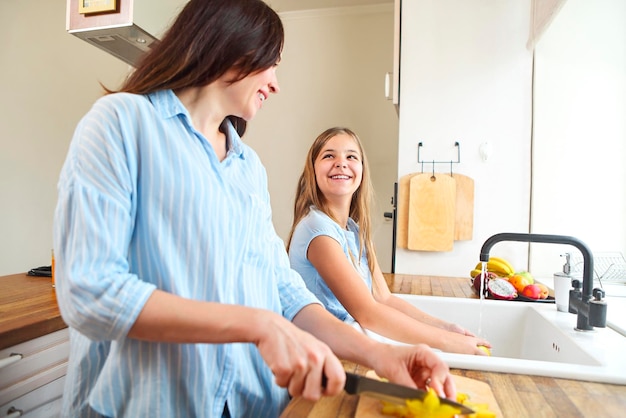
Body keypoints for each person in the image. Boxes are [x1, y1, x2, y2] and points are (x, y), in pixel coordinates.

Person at [53, 1, 458, 417]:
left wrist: (381, 356)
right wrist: (256, 325)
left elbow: (285, 292)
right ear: (231, 45)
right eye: (271, 64)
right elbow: (90, 290)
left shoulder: (248, 168)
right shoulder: (121, 123)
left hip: (251, 404)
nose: (275, 84)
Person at [287, 127, 492, 355]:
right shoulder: (317, 230)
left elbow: (384, 298)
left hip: (346, 343)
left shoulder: (355, 230)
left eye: (351, 156)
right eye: (328, 155)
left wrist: (447, 328)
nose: (341, 163)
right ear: (312, 170)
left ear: (362, 170)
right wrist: (447, 342)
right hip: (322, 353)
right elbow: (367, 313)